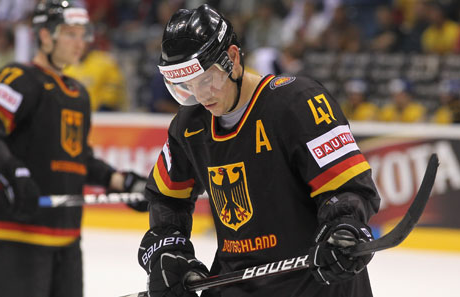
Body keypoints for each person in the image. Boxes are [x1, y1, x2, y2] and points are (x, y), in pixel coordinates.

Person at [137, 4, 380, 297]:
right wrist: (168, 248)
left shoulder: (298, 102)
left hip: (314, 284)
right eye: (186, 86)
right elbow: (166, 199)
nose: (201, 96)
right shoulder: (189, 125)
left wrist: (344, 227)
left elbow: (348, 188)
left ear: (233, 58)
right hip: (235, 284)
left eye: (207, 79)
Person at [0, 1, 146, 297]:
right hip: (18, 234)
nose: (79, 42)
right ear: (46, 36)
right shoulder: (18, 78)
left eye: (82, 34)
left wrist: (120, 181)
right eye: (70, 34)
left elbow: (75, 158)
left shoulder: (78, 94)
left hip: (66, 238)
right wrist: (14, 173)